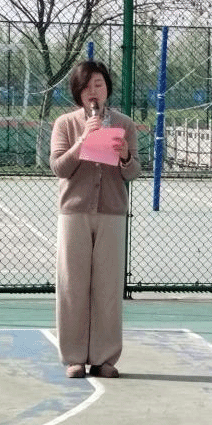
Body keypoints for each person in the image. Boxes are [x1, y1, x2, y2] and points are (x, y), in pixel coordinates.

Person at [49, 61, 140, 378]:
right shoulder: (65, 124)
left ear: (107, 89)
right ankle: (74, 357)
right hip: (74, 212)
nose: (93, 91)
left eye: (99, 84)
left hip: (111, 212)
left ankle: (105, 358)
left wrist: (125, 154)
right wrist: (82, 142)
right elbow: (59, 168)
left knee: (108, 287)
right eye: (87, 86)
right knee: (72, 286)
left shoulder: (125, 124)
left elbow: (134, 172)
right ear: (78, 92)